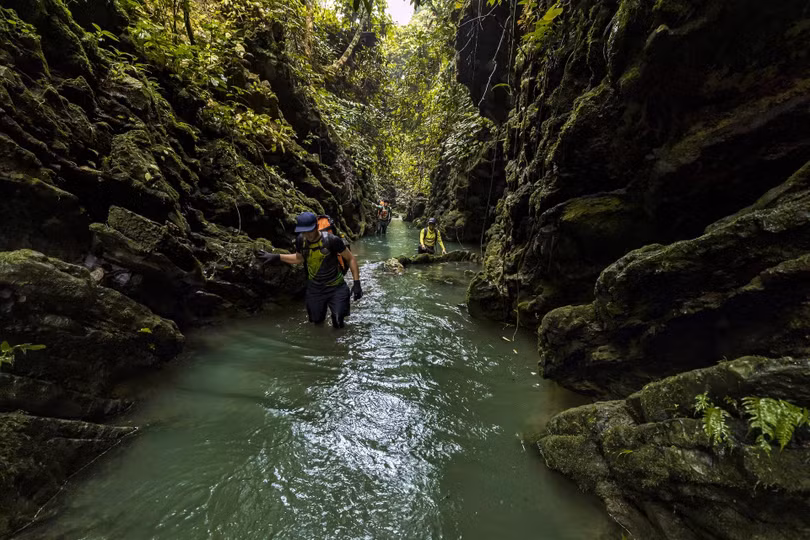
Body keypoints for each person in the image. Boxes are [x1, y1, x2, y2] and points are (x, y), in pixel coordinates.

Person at [258, 212, 362, 328]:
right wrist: (277, 256)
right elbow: (299, 258)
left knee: (338, 322)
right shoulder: (300, 240)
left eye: (310, 230)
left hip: (336, 287)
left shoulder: (332, 240)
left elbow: (350, 258)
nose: (307, 234)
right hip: (315, 289)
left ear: (316, 227)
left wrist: (356, 283)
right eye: (304, 231)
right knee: (317, 322)